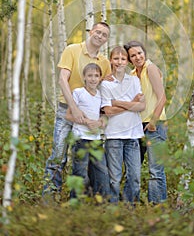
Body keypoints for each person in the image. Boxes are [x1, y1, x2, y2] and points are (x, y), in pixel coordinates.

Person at [43, 22, 111, 196]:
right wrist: (74, 108)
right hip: (67, 110)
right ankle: (50, 199)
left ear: (106, 40)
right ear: (90, 32)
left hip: (92, 115)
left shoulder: (104, 62)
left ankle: (83, 200)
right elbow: (62, 80)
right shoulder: (72, 50)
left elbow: (108, 90)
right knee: (58, 157)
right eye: (98, 32)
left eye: (104, 35)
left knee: (87, 160)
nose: (100, 36)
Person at [100, 46, 145, 203]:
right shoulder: (105, 84)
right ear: (111, 60)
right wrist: (130, 104)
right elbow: (107, 111)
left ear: (128, 61)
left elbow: (141, 106)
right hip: (114, 136)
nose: (119, 62)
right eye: (116, 58)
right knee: (114, 178)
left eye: (123, 59)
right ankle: (112, 210)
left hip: (133, 136)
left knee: (134, 178)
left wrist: (117, 102)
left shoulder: (134, 80)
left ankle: (130, 210)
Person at [124, 41, 167, 204]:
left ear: (145, 53)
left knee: (155, 170)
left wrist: (153, 122)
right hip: (137, 126)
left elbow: (162, 98)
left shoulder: (151, 69)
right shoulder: (133, 75)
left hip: (155, 125)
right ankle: (131, 206)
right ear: (129, 60)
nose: (137, 57)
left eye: (140, 53)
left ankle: (157, 207)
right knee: (133, 169)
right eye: (133, 55)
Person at [66, 63, 110, 199]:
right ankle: (75, 203)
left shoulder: (101, 95)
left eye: (96, 76)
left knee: (102, 173)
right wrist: (86, 122)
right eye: (90, 76)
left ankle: (101, 204)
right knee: (79, 172)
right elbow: (68, 115)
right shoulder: (78, 93)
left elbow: (104, 117)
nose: (93, 79)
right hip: (81, 139)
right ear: (84, 77)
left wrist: (98, 123)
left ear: (100, 78)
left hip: (96, 140)